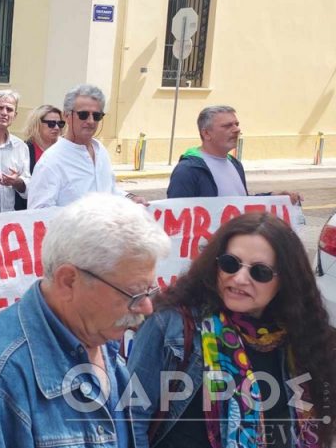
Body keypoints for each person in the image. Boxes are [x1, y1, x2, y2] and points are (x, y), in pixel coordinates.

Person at [0, 193, 170, 448]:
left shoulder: (100, 337)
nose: (146, 307)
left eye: (149, 291)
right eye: (133, 293)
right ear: (68, 281)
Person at [128, 212, 336, 448]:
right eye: (230, 264)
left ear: (285, 279)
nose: (239, 279)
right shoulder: (171, 324)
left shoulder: (302, 335)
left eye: (260, 272)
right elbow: (132, 419)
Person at [28, 83, 146, 208]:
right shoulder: (51, 161)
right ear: (67, 116)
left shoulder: (101, 151)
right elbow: (38, 212)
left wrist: (130, 198)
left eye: (96, 116)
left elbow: (109, 190)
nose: (90, 121)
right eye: (83, 115)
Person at [167, 105, 302, 202]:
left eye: (236, 124)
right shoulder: (188, 170)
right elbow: (177, 216)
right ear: (206, 133)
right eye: (227, 126)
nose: (236, 129)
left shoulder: (235, 164)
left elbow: (240, 203)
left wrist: (273, 197)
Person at [15, 104, 64, 210]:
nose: (56, 128)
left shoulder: (65, 150)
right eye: (51, 124)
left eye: (60, 124)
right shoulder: (24, 149)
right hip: (30, 210)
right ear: (37, 124)